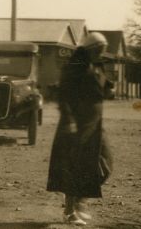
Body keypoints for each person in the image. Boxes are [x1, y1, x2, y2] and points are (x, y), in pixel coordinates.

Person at [47, 32, 114, 226]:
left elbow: (102, 87)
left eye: (103, 49)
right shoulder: (75, 65)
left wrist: (108, 88)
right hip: (77, 123)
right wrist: (69, 120)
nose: (101, 52)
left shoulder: (97, 65)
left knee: (105, 163)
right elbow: (64, 95)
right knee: (74, 166)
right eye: (99, 49)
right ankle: (69, 211)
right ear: (90, 48)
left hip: (95, 124)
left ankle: (80, 200)